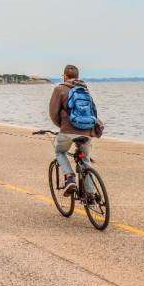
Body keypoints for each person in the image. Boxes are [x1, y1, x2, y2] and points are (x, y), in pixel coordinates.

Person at [48, 64, 104, 195]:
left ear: (65, 76)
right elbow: (94, 111)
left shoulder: (59, 89)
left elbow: (53, 113)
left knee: (60, 152)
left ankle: (70, 178)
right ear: (78, 76)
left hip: (67, 130)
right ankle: (91, 195)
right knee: (85, 161)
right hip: (87, 131)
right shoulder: (85, 89)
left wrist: (62, 126)